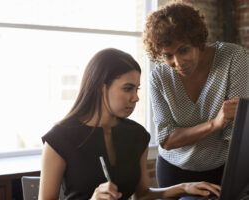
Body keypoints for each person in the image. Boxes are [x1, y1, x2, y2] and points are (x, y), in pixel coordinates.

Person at [39, 48, 221, 200]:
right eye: (127, 88)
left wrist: (184, 187)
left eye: (137, 89)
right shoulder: (59, 139)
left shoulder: (137, 135)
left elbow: (142, 194)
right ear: (100, 87)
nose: (135, 98)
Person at [143, 1, 249, 188]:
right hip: (173, 171)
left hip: (222, 169)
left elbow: (236, 133)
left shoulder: (234, 58)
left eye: (184, 50)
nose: (178, 62)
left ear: (198, 41)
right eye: (168, 55)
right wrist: (214, 124)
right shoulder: (158, 77)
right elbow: (166, 139)